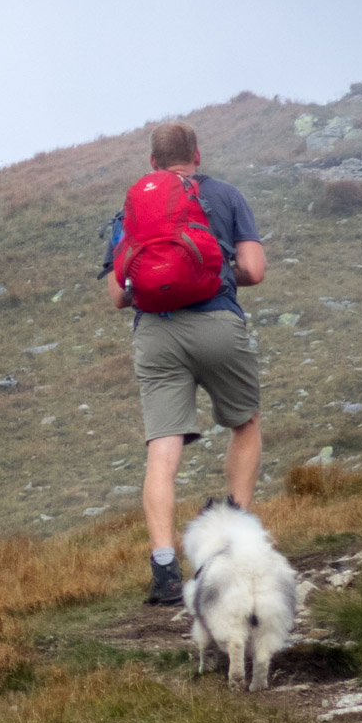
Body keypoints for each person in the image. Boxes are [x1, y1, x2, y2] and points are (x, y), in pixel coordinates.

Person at [106, 122, 267, 604]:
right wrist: (218, 269)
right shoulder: (227, 196)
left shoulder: (131, 210)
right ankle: (231, 545)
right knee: (245, 423)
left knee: (162, 451)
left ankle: (164, 570)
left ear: (152, 163)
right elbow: (255, 270)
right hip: (217, 322)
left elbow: (118, 295)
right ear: (197, 154)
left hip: (156, 333)